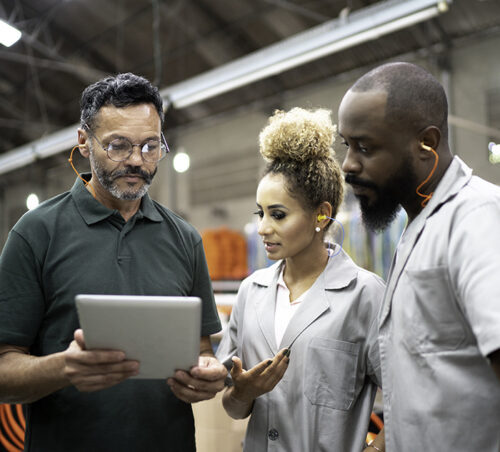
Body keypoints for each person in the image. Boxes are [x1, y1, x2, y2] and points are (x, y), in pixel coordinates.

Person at [0, 73, 227, 451]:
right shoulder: (37, 232)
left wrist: (207, 376)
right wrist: (64, 368)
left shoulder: (184, 239)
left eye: (151, 146)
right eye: (119, 146)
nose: (137, 161)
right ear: (84, 141)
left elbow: (201, 351)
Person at [338, 62, 500, 451]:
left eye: (366, 147)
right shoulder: (421, 225)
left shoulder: (476, 219)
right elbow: (436, 384)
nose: (348, 165)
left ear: (426, 143)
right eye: (347, 146)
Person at [216, 107, 386, 452]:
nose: (263, 228)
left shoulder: (365, 295)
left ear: (321, 215)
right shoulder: (251, 293)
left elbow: (407, 398)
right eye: (260, 213)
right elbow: (233, 409)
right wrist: (244, 391)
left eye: (278, 215)